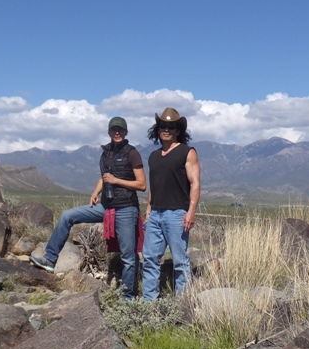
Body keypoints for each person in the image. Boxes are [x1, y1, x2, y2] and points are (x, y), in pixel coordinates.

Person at [31, 117, 146, 299]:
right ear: (109, 132)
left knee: (128, 255)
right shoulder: (106, 153)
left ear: (126, 133)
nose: (117, 133)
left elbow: (142, 184)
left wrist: (117, 181)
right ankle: (50, 258)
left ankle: (128, 297)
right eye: (114, 130)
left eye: (120, 130)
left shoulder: (132, 153)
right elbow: (104, 177)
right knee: (67, 216)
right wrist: (95, 192)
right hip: (106, 207)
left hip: (126, 209)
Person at [141, 107, 201, 301]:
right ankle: (149, 303)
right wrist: (148, 211)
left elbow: (195, 183)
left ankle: (183, 304)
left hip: (177, 214)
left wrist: (191, 211)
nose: (166, 129)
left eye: (171, 126)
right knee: (149, 258)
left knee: (180, 261)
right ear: (157, 130)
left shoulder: (187, 152)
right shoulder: (154, 156)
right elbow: (154, 186)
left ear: (178, 130)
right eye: (163, 126)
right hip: (156, 214)